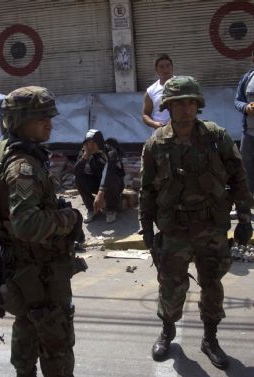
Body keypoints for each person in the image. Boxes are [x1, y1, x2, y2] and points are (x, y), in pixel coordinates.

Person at [139, 76, 253, 370]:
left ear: (198, 104)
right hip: (174, 231)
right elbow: (147, 190)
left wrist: (245, 218)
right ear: (168, 106)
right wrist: (147, 229)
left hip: (211, 229)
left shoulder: (217, 137)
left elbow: (239, 179)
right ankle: (167, 331)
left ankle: (210, 339)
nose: (186, 108)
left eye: (190, 102)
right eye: (179, 103)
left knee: (212, 286)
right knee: (171, 288)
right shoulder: (156, 144)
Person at [0, 86, 82, 377]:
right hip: (39, 272)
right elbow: (26, 224)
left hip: (23, 270)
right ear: (20, 121)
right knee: (55, 340)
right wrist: (67, 218)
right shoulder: (23, 167)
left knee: (27, 326)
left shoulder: (8, 154)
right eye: (41, 118)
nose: (50, 123)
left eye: (49, 116)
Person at [74, 129, 125, 224]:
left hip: (114, 183)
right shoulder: (85, 151)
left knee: (112, 177)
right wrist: (84, 158)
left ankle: (111, 209)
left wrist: (101, 193)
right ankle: (91, 209)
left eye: (93, 143)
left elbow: (108, 171)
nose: (90, 146)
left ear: (99, 142)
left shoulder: (110, 151)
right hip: (97, 181)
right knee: (78, 179)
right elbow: (76, 172)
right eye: (88, 143)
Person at [234, 49, 254, 195]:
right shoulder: (247, 78)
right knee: (245, 167)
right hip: (249, 133)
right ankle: (249, 200)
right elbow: (237, 100)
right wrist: (246, 107)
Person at [142, 54, 174, 129]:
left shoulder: (182, 84)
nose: (165, 69)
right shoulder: (151, 91)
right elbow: (145, 115)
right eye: (161, 67)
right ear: (156, 69)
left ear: (172, 67)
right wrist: (155, 124)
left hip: (181, 131)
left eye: (168, 65)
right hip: (161, 133)